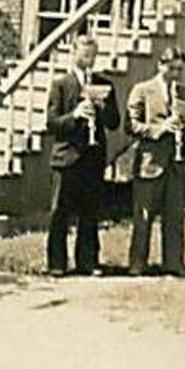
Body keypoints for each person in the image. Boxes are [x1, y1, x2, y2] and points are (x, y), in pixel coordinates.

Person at [44, 34, 119, 276]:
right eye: (85, 55)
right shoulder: (61, 84)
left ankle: (88, 261)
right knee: (61, 212)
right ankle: (57, 263)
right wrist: (76, 114)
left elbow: (114, 123)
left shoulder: (103, 84)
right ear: (74, 54)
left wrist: (103, 107)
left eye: (93, 56)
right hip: (67, 156)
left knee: (90, 211)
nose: (90, 60)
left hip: (93, 156)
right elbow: (52, 123)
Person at [126, 47, 185, 276]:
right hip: (150, 163)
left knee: (175, 217)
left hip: (176, 165)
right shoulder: (142, 90)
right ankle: (138, 263)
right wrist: (159, 129)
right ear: (160, 65)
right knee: (144, 216)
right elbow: (131, 125)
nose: (176, 73)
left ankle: (174, 263)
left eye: (179, 69)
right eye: (171, 68)